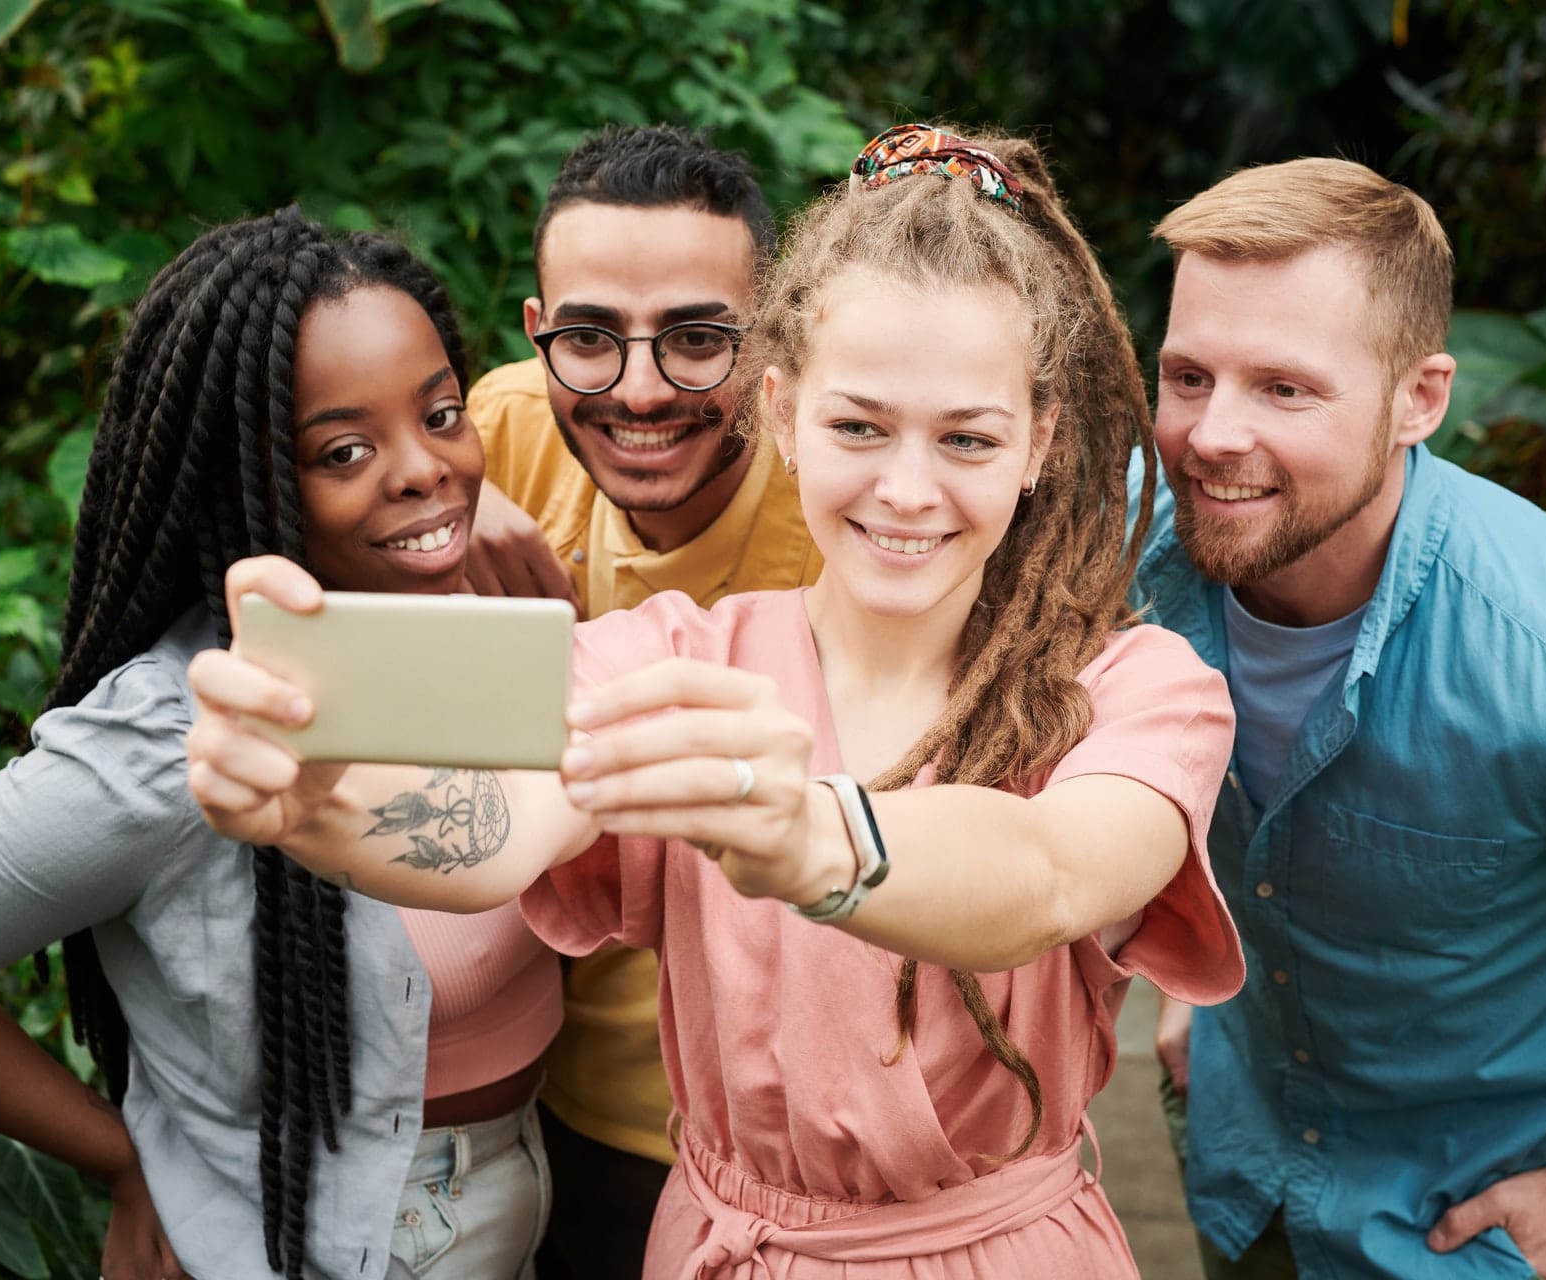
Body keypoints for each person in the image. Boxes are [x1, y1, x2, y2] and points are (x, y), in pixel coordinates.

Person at [186, 124, 1246, 1279]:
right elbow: (500, 826)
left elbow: (1054, 871)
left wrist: (809, 834)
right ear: (780, 411)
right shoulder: (668, 655)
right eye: (858, 425)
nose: (907, 487)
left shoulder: (1140, 685)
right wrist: (319, 802)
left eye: (967, 438)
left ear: (1040, 437)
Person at [0, 208, 559, 1280]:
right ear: (247, 482)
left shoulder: (487, 616)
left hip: (521, 1185)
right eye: (344, 448)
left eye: (442, 414)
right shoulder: (181, 734)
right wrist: (126, 1160)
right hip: (335, 1234)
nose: (427, 470)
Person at [1136, 157, 1546, 1280]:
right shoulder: (1145, 560)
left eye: (1285, 388)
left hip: (1458, 1231)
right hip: (1235, 1168)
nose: (1211, 435)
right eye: (1189, 375)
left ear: (1420, 399)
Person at [459, 124, 823, 1279]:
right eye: (590, 338)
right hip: (550, 1106)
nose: (641, 389)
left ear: (773, 343)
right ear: (538, 334)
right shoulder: (500, 435)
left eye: (698, 339)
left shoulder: (849, 506)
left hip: (793, 1139)